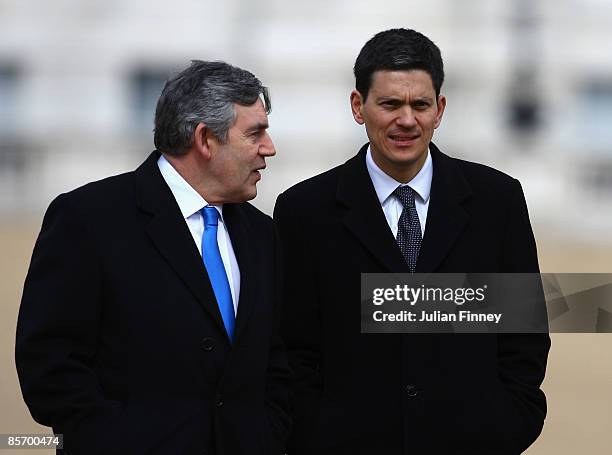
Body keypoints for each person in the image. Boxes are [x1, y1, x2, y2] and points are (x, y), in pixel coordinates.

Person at [274, 28, 550, 454]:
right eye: (390, 104)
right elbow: (292, 349)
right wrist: (319, 435)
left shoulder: (498, 201)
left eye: (420, 104)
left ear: (439, 109)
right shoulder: (304, 211)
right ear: (357, 106)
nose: (407, 119)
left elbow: (522, 337)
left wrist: (502, 426)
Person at [16, 60, 291, 455]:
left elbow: (274, 365)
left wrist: (266, 436)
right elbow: (50, 368)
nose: (270, 147)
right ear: (205, 139)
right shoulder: (89, 219)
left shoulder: (261, 234)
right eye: (255, 133)